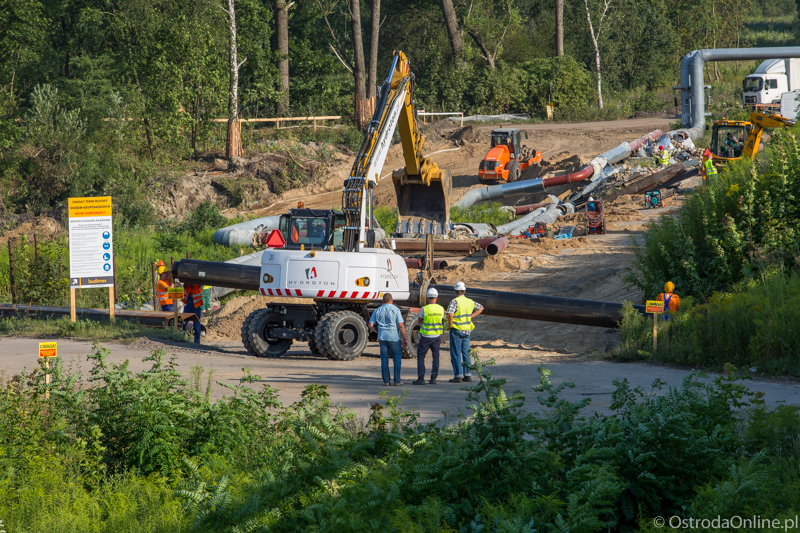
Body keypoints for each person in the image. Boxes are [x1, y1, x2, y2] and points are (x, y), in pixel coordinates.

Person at [447, 281, 483, 383]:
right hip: (467, 330)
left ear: (455, 291)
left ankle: (458, 376)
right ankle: (468, 375)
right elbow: (481, 308)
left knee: (456, 353)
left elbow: (450, 314)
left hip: (456, 330)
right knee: (466, 353)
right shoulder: (470, 301)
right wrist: (470, 317)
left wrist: (450, 326)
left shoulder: (454, 301)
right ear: (464, 291)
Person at [368, 293, 408, 386]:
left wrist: (377, 331)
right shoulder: (396, 310)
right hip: (394, 337)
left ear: (382, 301)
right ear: (392, 300)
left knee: (384, 359)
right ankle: (397, 380)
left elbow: (370, 325)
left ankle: (386, 381)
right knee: (397, 358)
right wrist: (405, 338)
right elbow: (401, 325)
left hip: (382, 337)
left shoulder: (377, 310)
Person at [412, 288, 445, 385]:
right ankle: (433, 378)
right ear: (437, 297)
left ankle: (421, 378)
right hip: (436, 336)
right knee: (436, 357)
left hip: (426, 336)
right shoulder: (441, 308)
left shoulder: (424, 309)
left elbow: (419, 321)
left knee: (421, 356)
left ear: (427, 297)